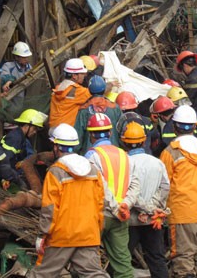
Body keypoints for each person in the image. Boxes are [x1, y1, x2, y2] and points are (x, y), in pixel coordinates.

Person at [29, 124, 109, 278]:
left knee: (42, 274)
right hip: (88, 233)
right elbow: (101, 204)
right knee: (93, 274)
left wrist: (43, 234)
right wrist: (96, 230)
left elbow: (50, 209)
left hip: (62, 236)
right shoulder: (93, 170)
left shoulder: (55, 172)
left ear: (56, 147)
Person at [159, 105, 197, 278]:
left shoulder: (171, 152)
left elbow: (163, 184)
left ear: (175, 127)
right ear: (195, 126)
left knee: (183, 258)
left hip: (181, 213)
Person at [84, 113, 140, 278]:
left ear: (91, 134)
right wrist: (125, 205)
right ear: (109, 133)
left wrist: (116, 207)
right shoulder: (125, 155)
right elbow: (135, 185)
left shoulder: (91, 156)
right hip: (121, 216)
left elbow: (99, 186)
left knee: (87, 262)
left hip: (99, 215)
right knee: (123, 264)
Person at [120, 122, 170, 278]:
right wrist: (151, 208)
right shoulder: (157, 162)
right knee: (157, 259)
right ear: (143, 141)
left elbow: (125, 193)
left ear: (123, 142)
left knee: (121, 260)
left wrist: (142, 209)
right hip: (152, 220)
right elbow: (165, 188)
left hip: (129, 221)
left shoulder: (123, 163)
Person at [74, 75, 122, 154]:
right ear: (104, 89)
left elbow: (77, 138)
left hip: (90, 154)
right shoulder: (115, 107)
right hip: (114, 153)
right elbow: (122, 131)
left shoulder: (83, 110)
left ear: (89, 90)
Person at [49, 58, 91, 128]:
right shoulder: (77, 90)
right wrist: (109, 85)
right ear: (74, 76)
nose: (84, 76)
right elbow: (96, 92)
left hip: (53, 128)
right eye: (82, 73)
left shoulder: (59, 87)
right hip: (65, 131)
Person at [115, 91, 158, 155]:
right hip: (146, 156)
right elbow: (155, 141)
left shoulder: (118, 124)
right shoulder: (146, 121)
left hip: (126, 158)